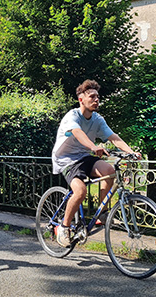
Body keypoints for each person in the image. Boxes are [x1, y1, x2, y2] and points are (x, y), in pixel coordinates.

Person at [51, 79, 141, 247]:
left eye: (97, 97)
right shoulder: (72, 116)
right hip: (67, 159)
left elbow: (113, 137)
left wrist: (131, 152)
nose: (96, 100)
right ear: (81, 100)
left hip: (85, 156)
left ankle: (102, 212)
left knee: (109, 170)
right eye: (91, 96)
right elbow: (77, 132)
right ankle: (64, 227)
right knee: (80, 191)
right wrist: (93, 146)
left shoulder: (97, 119)